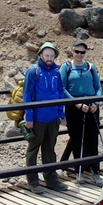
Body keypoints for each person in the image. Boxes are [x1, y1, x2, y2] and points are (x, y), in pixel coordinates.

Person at [22, 42, 68, 193]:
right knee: (33, 149)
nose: (49, 58)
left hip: (53, 117)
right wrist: (29, 116)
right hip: (37, 118)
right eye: (46, 55)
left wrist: (60, 112)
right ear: (40, 55)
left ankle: (51, 180)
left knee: (50, 149)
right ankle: (33, 182)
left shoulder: (57, 71)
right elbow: (27, 95)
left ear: (55, 56)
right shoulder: (32, 71)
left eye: (52, 56)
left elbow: (60, 92)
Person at [60, 41, 103, 186]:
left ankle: (95, 172)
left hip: (92, 106)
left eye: (82, 52)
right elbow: (62, 88)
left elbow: (98, 87)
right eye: (77, 51)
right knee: (77, 139)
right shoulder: (66, 67)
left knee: (93, 139)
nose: (79, 54)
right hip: (74, 107)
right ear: (72, 51)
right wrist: (76, 103)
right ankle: (79, 171)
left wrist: (96, 103)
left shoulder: (91, 67)